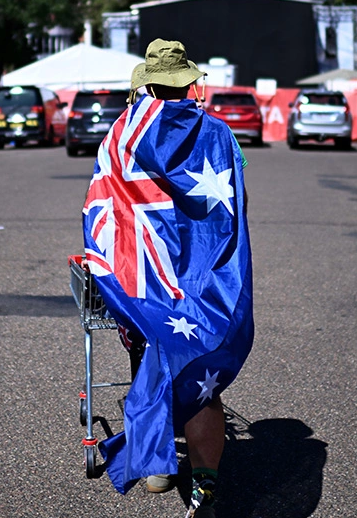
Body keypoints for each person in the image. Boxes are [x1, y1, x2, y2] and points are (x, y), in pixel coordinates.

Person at [82, 39, 254, 518]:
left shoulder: (121, 136)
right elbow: (234, 190)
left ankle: (156, 461)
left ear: (146, 84)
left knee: (149, 349)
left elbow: (102, 208)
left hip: (142, 285)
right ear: (189, 84)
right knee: (204, 382)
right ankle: (203, 490)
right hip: (201, 286)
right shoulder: (218, 134)